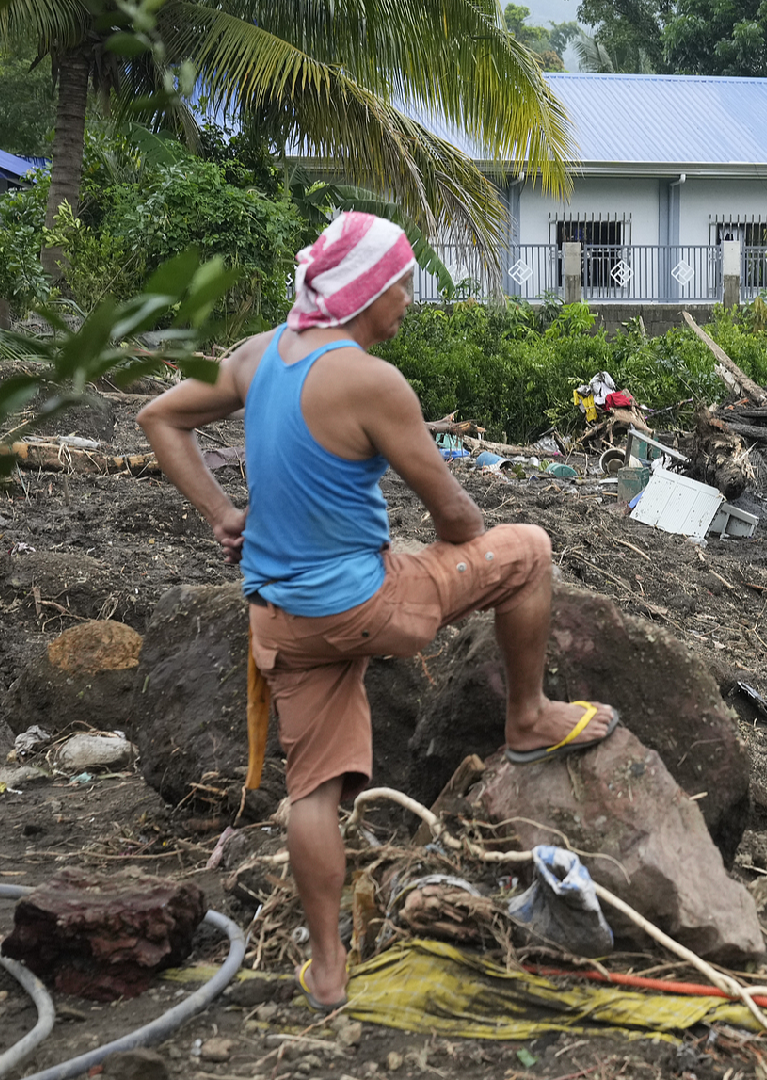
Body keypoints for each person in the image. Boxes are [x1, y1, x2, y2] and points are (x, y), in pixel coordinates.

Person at [135, 213, 618, 1012]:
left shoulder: (260, 354)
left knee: (313, 795)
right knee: (527, 548)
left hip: (279, 617)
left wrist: (225, 516)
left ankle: (328, 972)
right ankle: (527, 717)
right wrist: (455, 544)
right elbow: (457, 513)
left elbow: (160, 415)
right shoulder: (369, 380)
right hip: (369, 606)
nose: (410, 301)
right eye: (406, 284)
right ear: (372, 287)